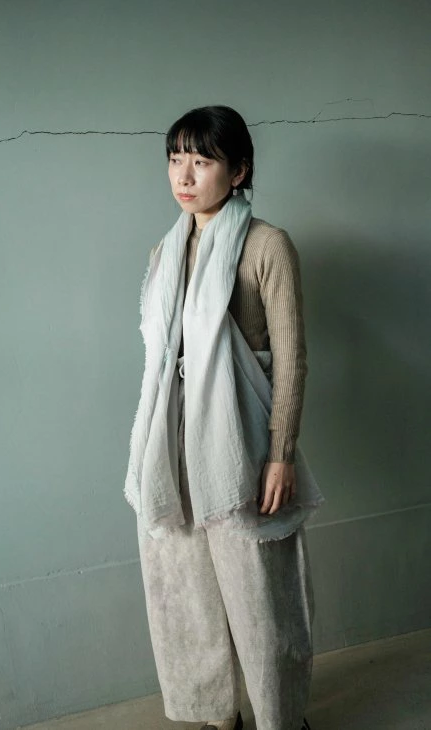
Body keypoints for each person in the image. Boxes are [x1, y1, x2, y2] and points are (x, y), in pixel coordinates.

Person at [124, 105, 324, 730]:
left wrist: (281, 453)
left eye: (201, 161)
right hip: (173, 444)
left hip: (242, 443)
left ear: (238, 171)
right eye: (175, 159)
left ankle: (281, 719)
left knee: (263, 600)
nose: (183, 176)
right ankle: (218, 717)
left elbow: (290, 358)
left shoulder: (266, 245)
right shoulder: (165, 251)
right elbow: (161, 360)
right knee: (186, 594)